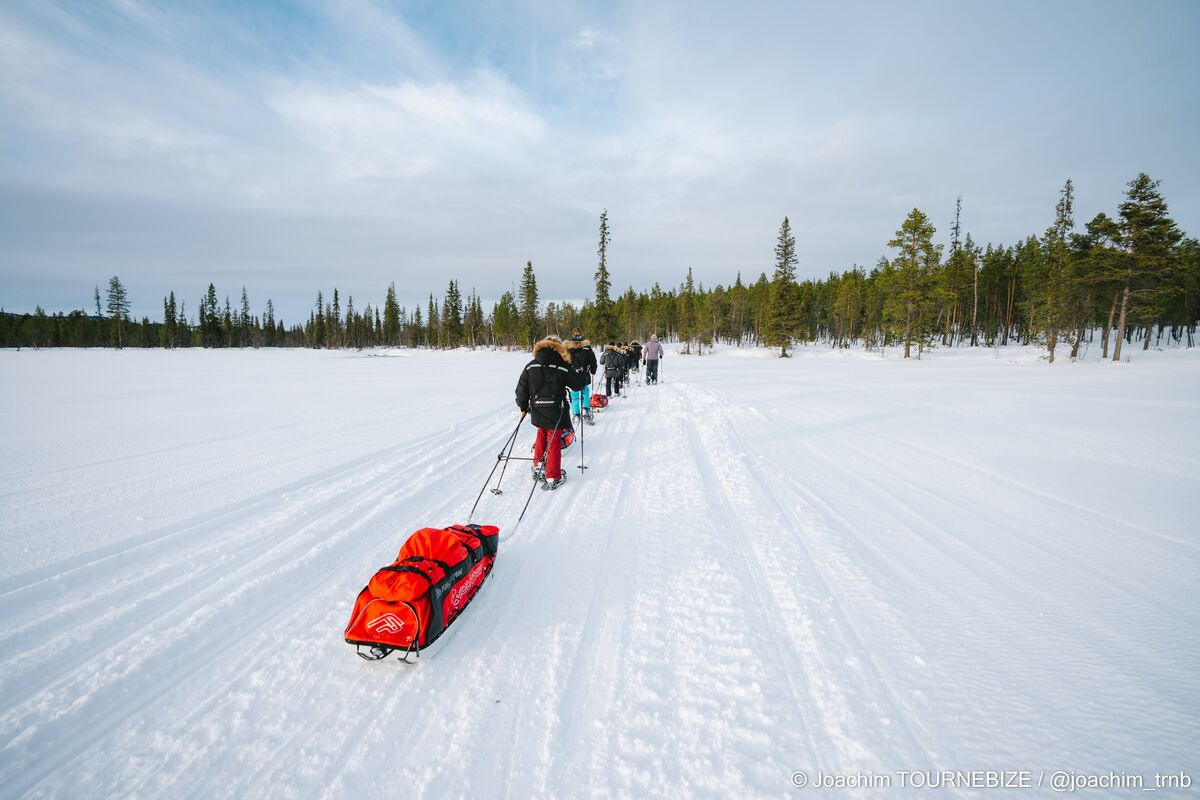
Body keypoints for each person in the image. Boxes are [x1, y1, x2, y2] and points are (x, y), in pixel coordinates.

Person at [515, 335, 587, 490]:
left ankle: (538, 465)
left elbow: (521, 389)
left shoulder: (531, 366)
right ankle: (553, 476)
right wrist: (583, 374)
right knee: (554, 440)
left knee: (541, 433)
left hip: (537, 409)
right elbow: (578, 385)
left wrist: (523, 406)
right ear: (559, 348)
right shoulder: (562, 366)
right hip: (556, 410)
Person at [565, 328, 597, 425]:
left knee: (575, 393)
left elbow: (564, 361)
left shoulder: (568, 347)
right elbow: (593, 360)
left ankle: (576, 414)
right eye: (578, 335)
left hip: (572, 374)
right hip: (583, 374)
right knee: (585, 391)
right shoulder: (586, 347)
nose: (578, 337)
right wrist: (593, 370)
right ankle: (585, 411)